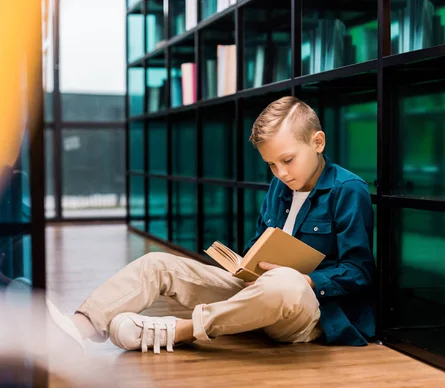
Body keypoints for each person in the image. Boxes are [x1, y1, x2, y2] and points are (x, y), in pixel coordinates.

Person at [48, 96, 375, 353]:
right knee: (158, 264)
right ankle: (77, 329)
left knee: (286, 284)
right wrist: (245, 266)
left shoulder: (348, 190)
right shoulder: (280, 186)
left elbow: (359, 272)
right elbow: (260, 242)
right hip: (255, 293)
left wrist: (303, 278)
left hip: (304, 309)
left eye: (287, 160)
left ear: (318, 142)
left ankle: (180, 330)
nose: (280, 173)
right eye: (271, 165)